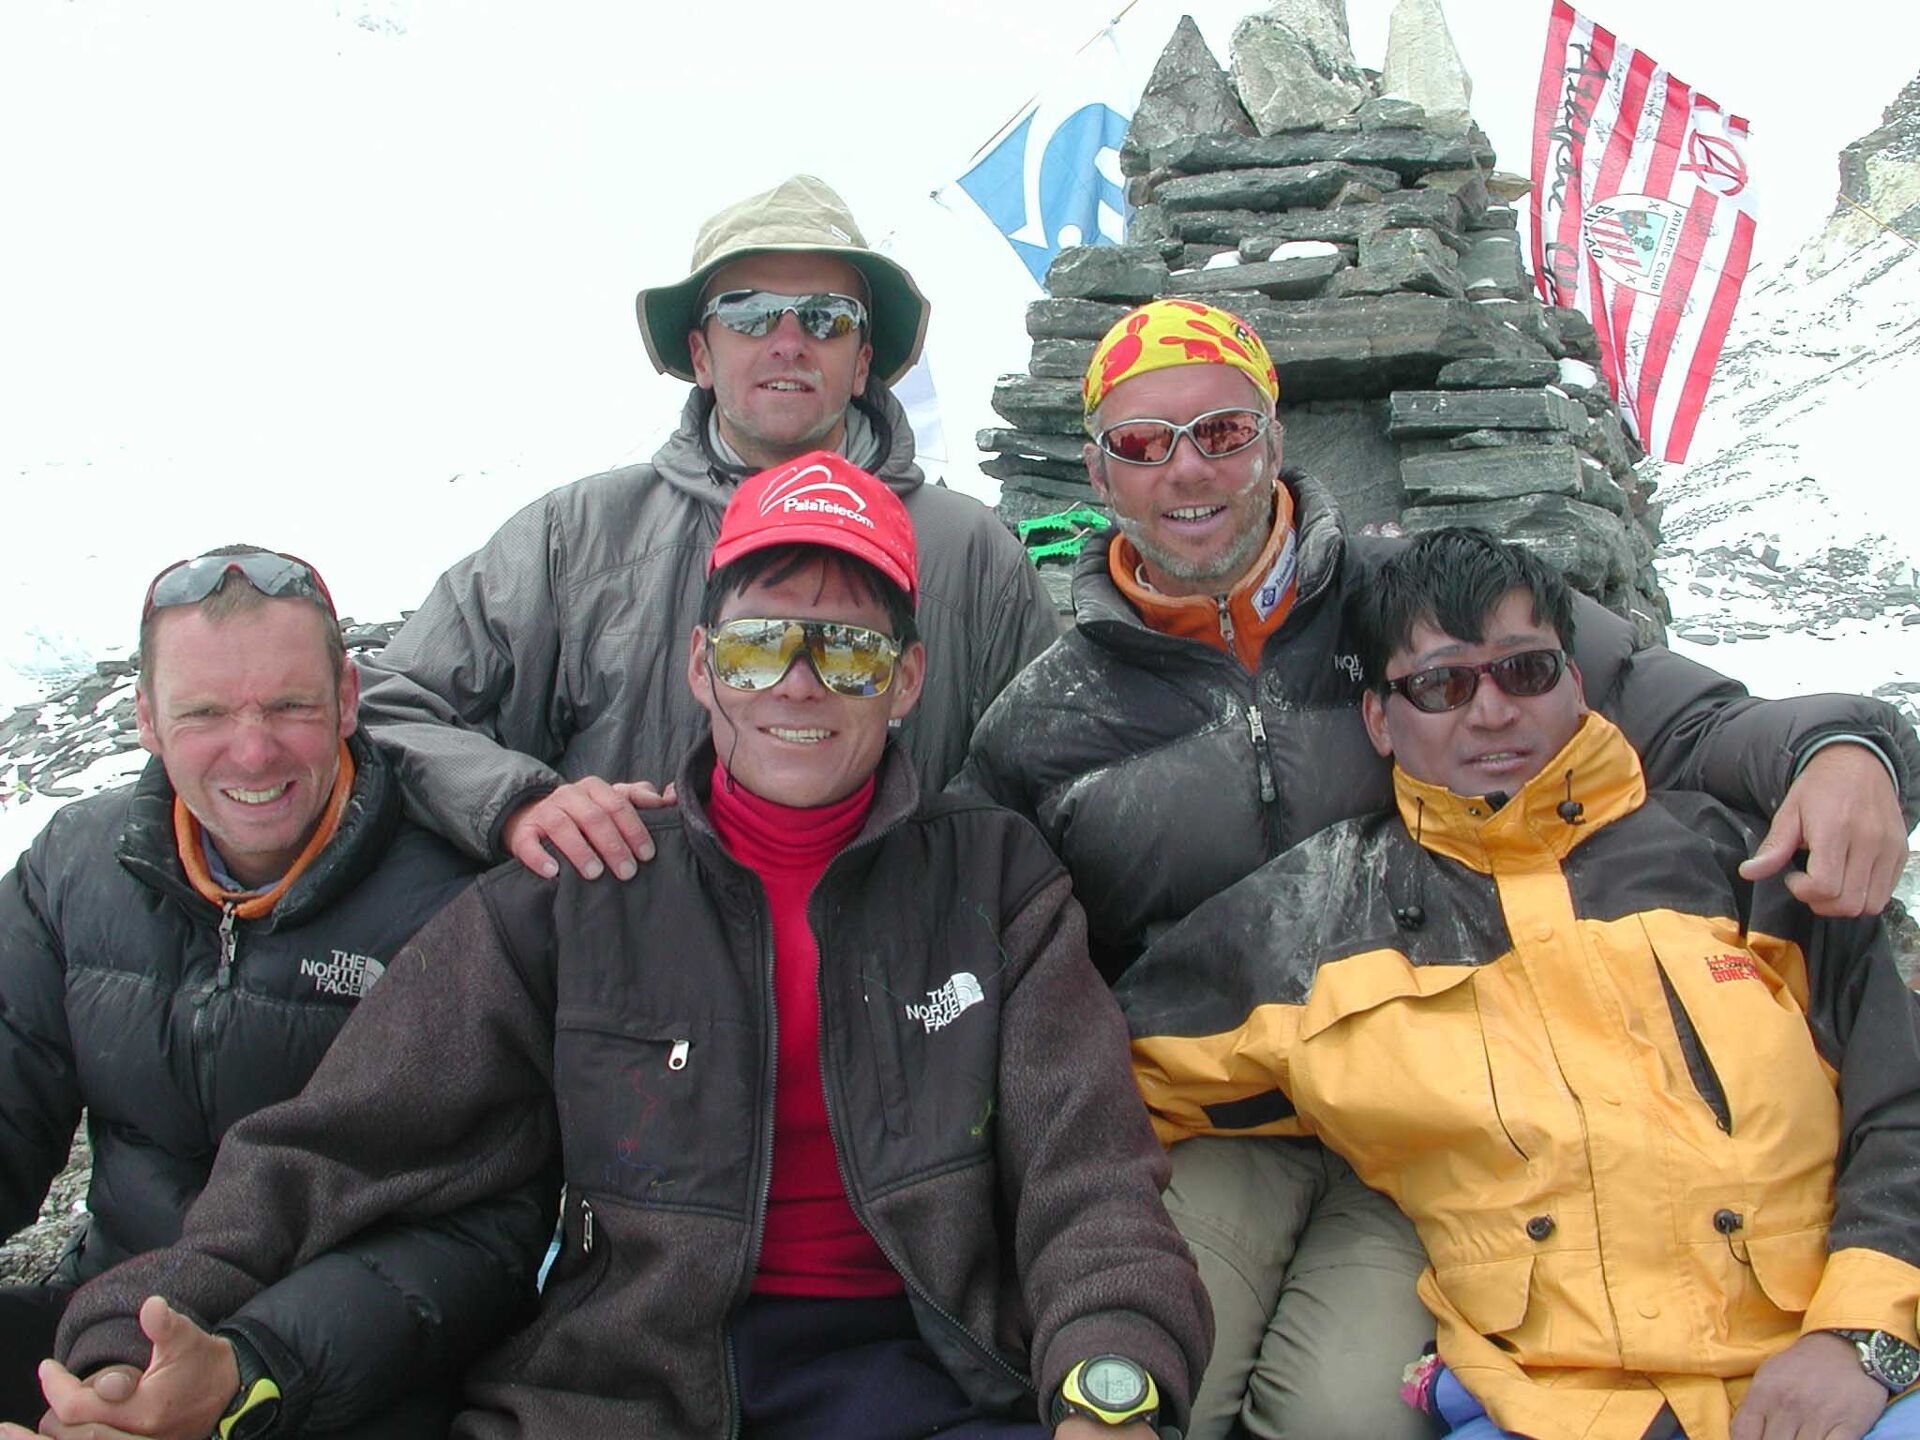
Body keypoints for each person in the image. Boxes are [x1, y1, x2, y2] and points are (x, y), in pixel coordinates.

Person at [31, 454, 1211, 1440]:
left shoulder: (996, 882)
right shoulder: (585, 890)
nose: (799, 684)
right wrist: (136, 1334)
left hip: (936, 1382)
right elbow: (335, 1145)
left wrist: (1110, 1385)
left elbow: (1087, 1173)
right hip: (620, 1393)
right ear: (700, 667)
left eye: (848, 650)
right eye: (757, 646)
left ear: (905, 680)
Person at [953, 298, 1920, 1439]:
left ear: (1273, 437)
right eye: (1142, 442)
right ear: (1097, 470)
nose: (1188, 469)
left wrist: (1841, 747)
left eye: (1221, 430)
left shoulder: (1427, 609)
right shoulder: (1049, 718)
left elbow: (1683, 715)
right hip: (1218, 1110)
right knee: (1161, 1386)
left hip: (1453, 1099)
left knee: (1342, 1418)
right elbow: (979, 918)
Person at [1120, 528, 1920, 1440]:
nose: (1492, 712)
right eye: (1442, 685)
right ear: (1379, 718)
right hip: (1546, 1408)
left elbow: (1901, 1103)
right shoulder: (1307, 921)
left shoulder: (1742, 864)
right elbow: (1105, 1079)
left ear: (1575, 683)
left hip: (1852, 1381)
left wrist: (1863, 1338)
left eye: (1525, 671)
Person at [356, 173, 1059, 884]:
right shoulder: (575, 538)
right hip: (614, 946)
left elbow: (1048, 774)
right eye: (750, 313)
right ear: (700, 355)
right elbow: (386, 705)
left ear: (862, 364)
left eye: (826, 318)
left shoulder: (975, 556)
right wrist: (517, 803)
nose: (789, 342)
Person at [0, 546, 549, 1437]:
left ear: (347, 698)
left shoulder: (458, 904)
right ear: (146, 720)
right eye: (205, 713)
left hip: (339, 1366)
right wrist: (115, 1380)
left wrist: (238, 1374)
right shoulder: (75, 867)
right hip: (104, 1319)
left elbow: (485, 1232)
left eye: (290, 706)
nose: (253, 753)